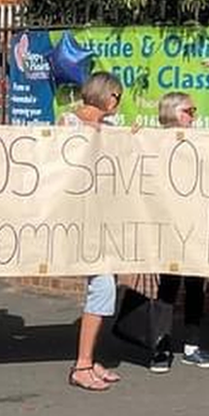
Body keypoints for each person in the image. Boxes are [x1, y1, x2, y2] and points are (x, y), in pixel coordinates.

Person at [59, 72, 124, 391]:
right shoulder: (67, 121)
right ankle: (82, 365)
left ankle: (90, 358)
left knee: (105, 285)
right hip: (80, 219)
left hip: (103, 220)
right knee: (102, 288)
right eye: (118, 97)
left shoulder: (111, 130)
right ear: (109, 97)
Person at [149, 92, 209, 373]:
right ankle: (160, 347)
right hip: (167, 225)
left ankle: (191, 345)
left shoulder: (199, 142)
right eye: (189, 111)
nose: (194, 116)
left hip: (194, 224)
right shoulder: (153, 143)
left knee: (194, 286)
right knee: (167, 287)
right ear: (173, 113)